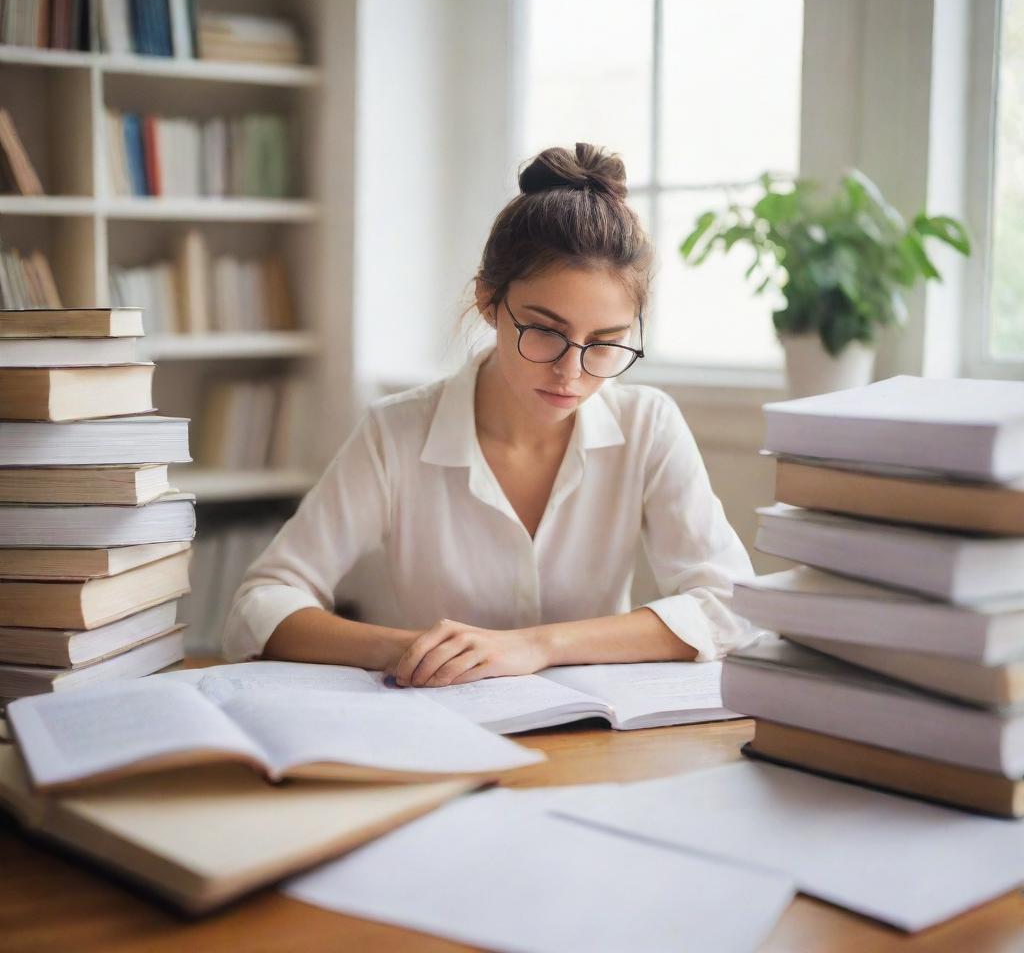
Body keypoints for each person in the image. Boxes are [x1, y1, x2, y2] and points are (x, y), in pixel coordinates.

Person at [221, 142, 758, 686]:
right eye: (545, 331)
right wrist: (429, 650)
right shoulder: (397, 432)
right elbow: (260, 605)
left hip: (598, 732)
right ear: (487, 301)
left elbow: (730, 607)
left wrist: (538, 647)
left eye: (604, 342)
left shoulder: (649, 425)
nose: (571, 372)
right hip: (448, 725)